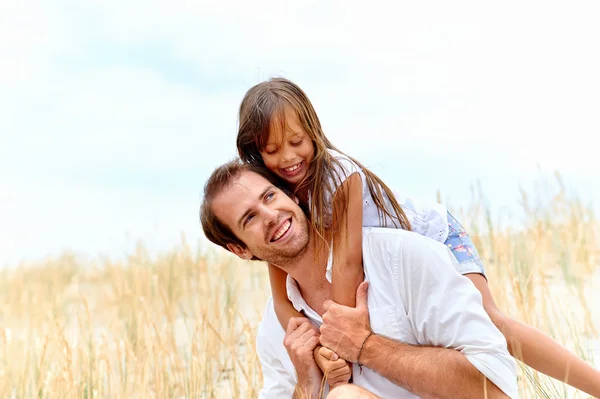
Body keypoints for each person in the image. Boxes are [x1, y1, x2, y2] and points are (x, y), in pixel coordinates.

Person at [235, 77, 600, 395]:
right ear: (255, 150)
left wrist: (344, 336)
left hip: (430, 234)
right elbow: (282, 295)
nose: (288, 157)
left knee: (492, 322)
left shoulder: (338, 174)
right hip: (393, 265)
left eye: (296, 141)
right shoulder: (273, 196)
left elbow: (347, 263)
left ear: (313, 129)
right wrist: (317, 350)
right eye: (271, 150)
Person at [200, 160, 518, 398]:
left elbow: (497, 389)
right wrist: (307, 385)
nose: (270, 216)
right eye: (250, 217)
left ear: (292, 196)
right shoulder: (277, 332)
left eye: (269, 197)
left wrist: (366, 347)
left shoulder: (401, 257)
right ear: (239, 248)